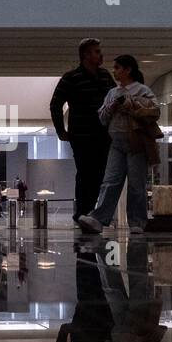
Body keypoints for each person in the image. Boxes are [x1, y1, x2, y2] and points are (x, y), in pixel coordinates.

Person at [77, 55, 160, 235]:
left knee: (136, 184)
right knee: (110, 181)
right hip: (117, 143)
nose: (114, 71)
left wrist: (132, 104)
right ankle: (99, 218)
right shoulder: (112, 93)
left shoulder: (142, 90)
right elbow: (102, 118)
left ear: (128, 69)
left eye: (117, 68)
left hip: (136, 142)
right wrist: (112, 107)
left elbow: (154, 111)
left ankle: (137, 221)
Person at [50, 38, 115, 221]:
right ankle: (83, 212)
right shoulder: (71, 78)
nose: (100, 55)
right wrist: (61, 131)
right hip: (82, 136)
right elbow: (55, 104)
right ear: (86, 55)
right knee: (86, 173)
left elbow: (114, 99)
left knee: (99, 175)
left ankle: (90, 213)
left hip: (103, 135)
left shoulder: (105, 76)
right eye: (96, 51)